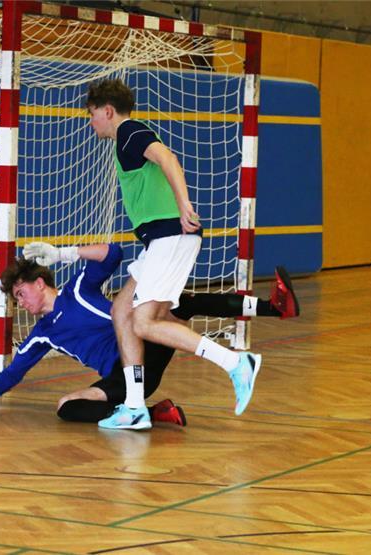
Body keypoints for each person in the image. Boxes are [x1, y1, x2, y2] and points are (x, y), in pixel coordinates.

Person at [0, 242, 300, 429]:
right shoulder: (42, 335)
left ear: (41, 283)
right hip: (127, 378)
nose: (19, 303)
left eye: (21, 293)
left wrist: (63, 253)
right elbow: (12, 374)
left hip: (145, 346)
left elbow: (112, 254)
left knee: (180, 302)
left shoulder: (79, 289)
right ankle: (151, 412)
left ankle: (274, 307)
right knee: (66, 407)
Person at [86, 78, 264, 429]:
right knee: (122, 308)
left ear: (107, 111)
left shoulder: (129, 131)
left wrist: (184, 204)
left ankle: (235, 363)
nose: (91, 122)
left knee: (143, 321)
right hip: (159, 240)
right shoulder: (127, 138)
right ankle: (135, 406)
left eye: (92, 115)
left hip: (171, 234)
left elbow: (167, 157)